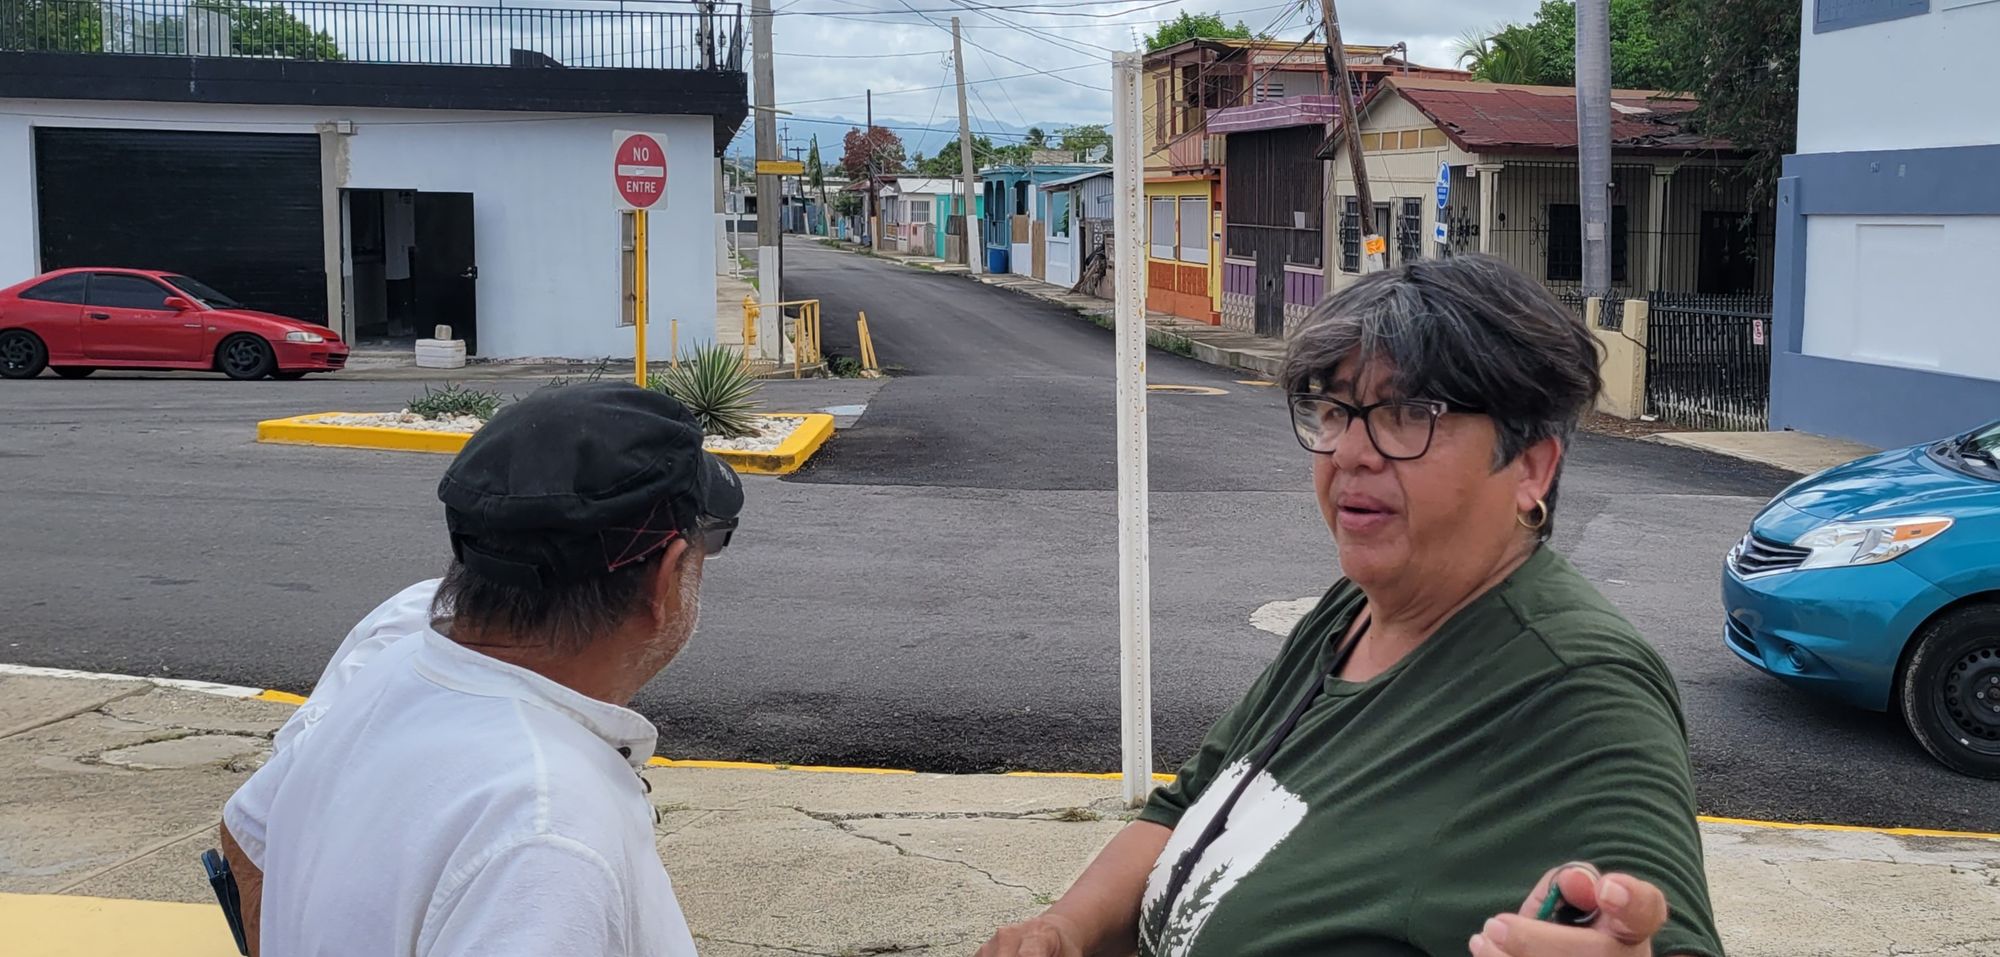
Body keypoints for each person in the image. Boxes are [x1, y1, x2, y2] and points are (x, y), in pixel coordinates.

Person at [978, 256, 1724, 957]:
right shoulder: (1355, 612)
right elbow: (1189, 803)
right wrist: (1063, 929)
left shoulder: (1579, 682)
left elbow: (1652, 926)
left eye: (1409, 414)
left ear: (1530, 466)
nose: (1350, 453)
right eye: (1334, 410)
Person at [217, 381, 743, 956]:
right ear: (664, 582)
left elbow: (247, 836)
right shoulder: (548, 831)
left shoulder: (391, 664)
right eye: (709, 544)